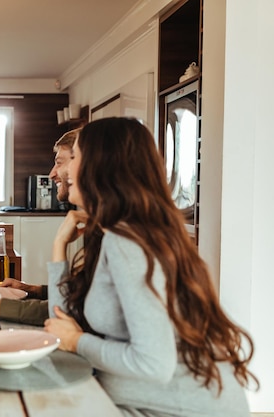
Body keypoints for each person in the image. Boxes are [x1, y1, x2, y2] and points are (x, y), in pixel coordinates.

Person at [44, 117, 257, 416]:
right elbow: (61, 324)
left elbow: (153, 364)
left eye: (74, 157)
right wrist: (58, 248)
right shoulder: (118, 233)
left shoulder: (127, 242)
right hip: (142, 401)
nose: (64, 171)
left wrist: (78, 341)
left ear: (100, 166)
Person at [0, 128, 86, 325]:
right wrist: (34, 289)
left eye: (60, 162)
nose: (52, 173)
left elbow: (65, 310)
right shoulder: (98, 226)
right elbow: (82, 296)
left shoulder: (119, 236)